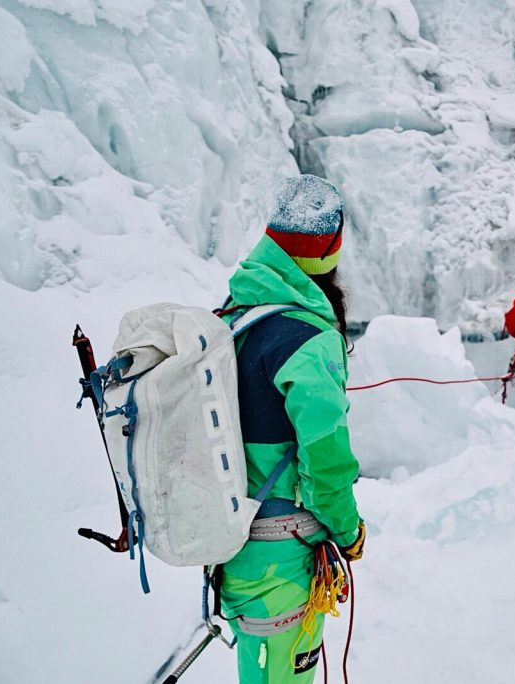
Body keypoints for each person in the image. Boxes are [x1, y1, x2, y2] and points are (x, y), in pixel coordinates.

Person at [218, 174, 365, 684]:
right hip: (286, 555)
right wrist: (349, 531)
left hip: (232, 547)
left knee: (258, 671)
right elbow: (326, 460)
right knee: (290, 674)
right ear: (331, 252)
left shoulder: (233, 320)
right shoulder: (309, 340)